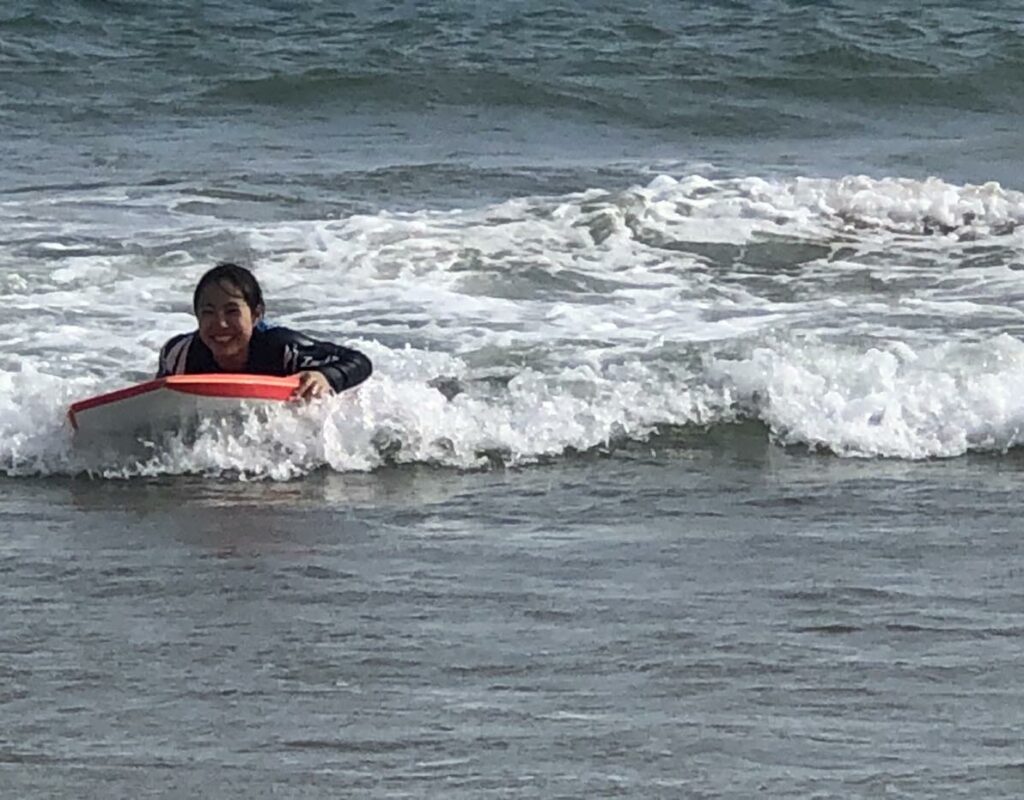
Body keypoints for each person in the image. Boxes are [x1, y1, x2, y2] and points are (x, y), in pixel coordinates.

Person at [157, 263, 371, 399]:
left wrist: (325, 376)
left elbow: (359, 361)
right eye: (208, 312)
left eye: (232, 311)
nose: (220, 323)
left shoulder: (283, 348)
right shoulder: (178, 354)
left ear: (256, 314)